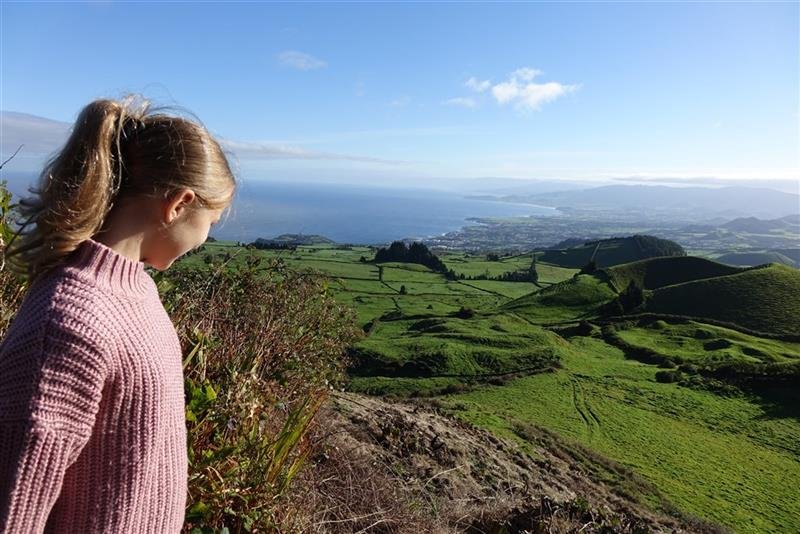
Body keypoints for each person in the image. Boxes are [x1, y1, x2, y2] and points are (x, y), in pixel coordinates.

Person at [0, 96, 236, 532]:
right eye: (212, 221)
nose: (206, 238)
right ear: (180, 204)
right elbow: (14, 506)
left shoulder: (136, 289)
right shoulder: (69, 323)